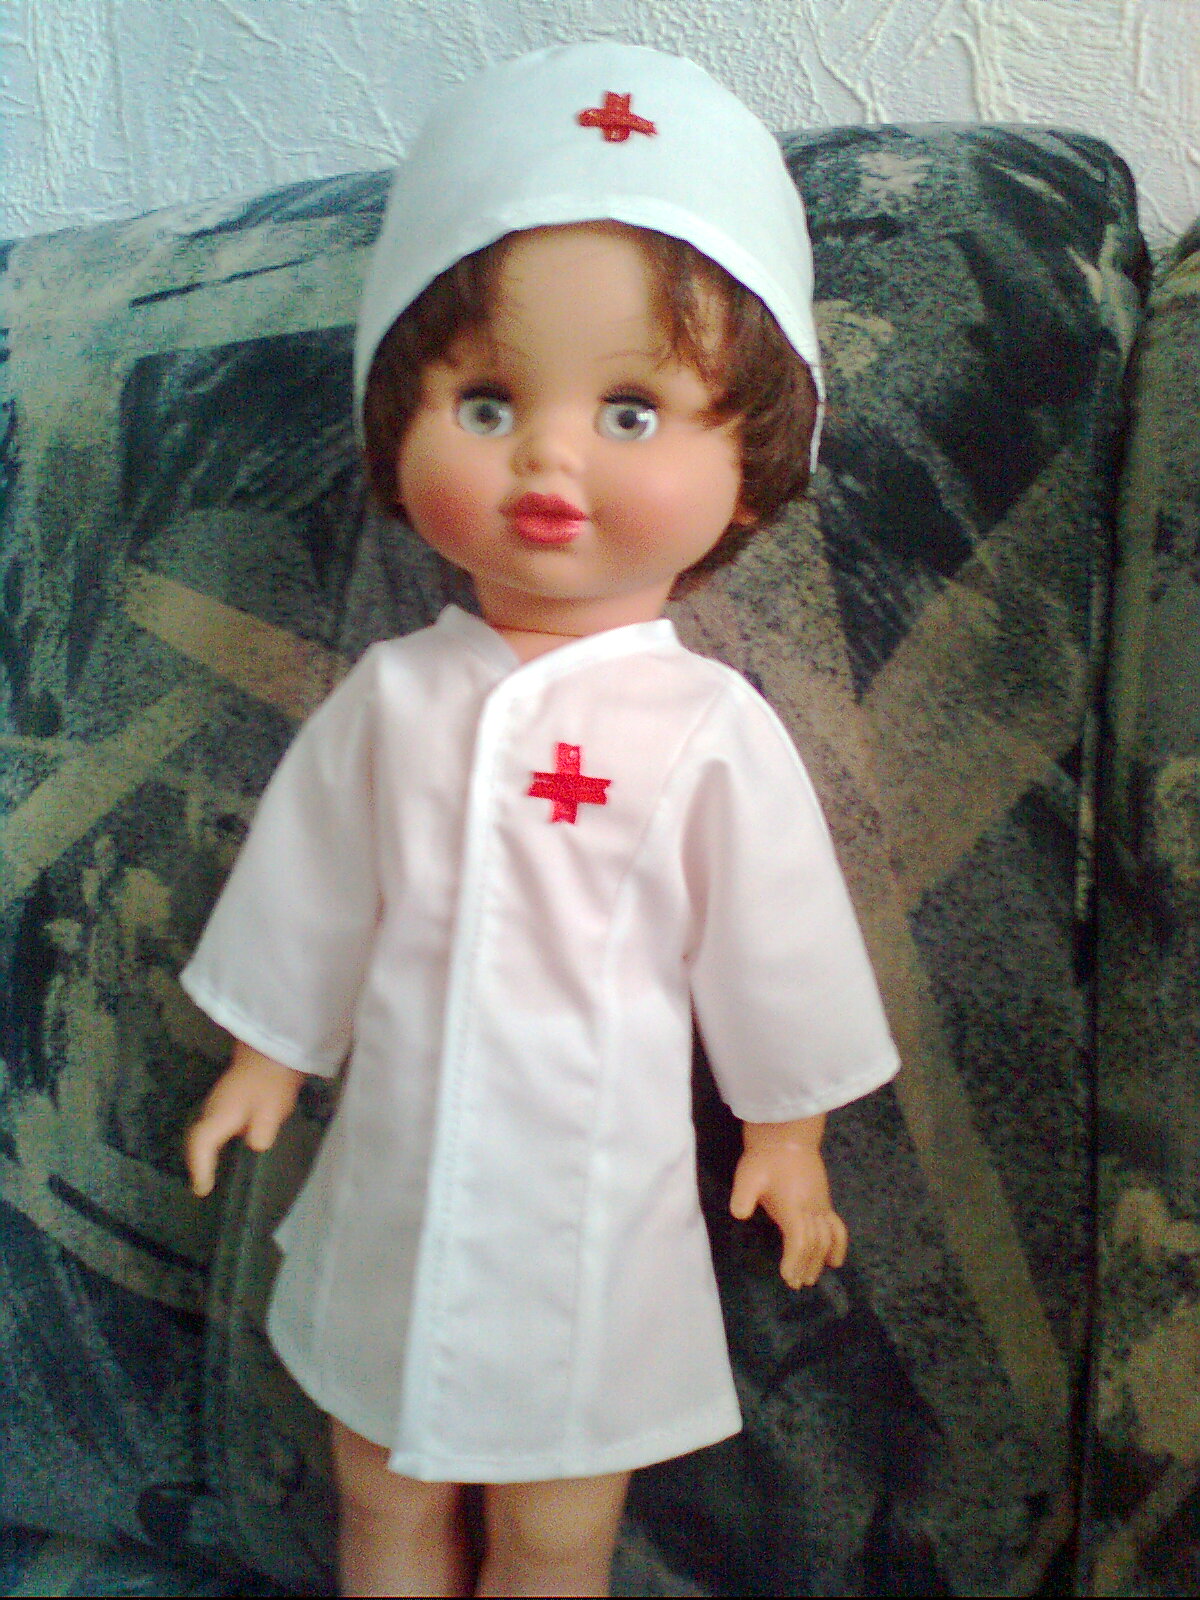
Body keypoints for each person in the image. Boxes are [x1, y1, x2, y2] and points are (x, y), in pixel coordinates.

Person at [181, 43, 899, 1598]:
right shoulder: (394, 698)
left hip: (592, 1215)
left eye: (633, 411)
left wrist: (789, 1131)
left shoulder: (706, 730)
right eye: (488, 401)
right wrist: (265, 1054)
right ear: (398, 431)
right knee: (376, 1494)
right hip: (394, 1189)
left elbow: (773, 940)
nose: (550, 458)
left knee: (559, 1527)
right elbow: (313, 886)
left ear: (751, 473)